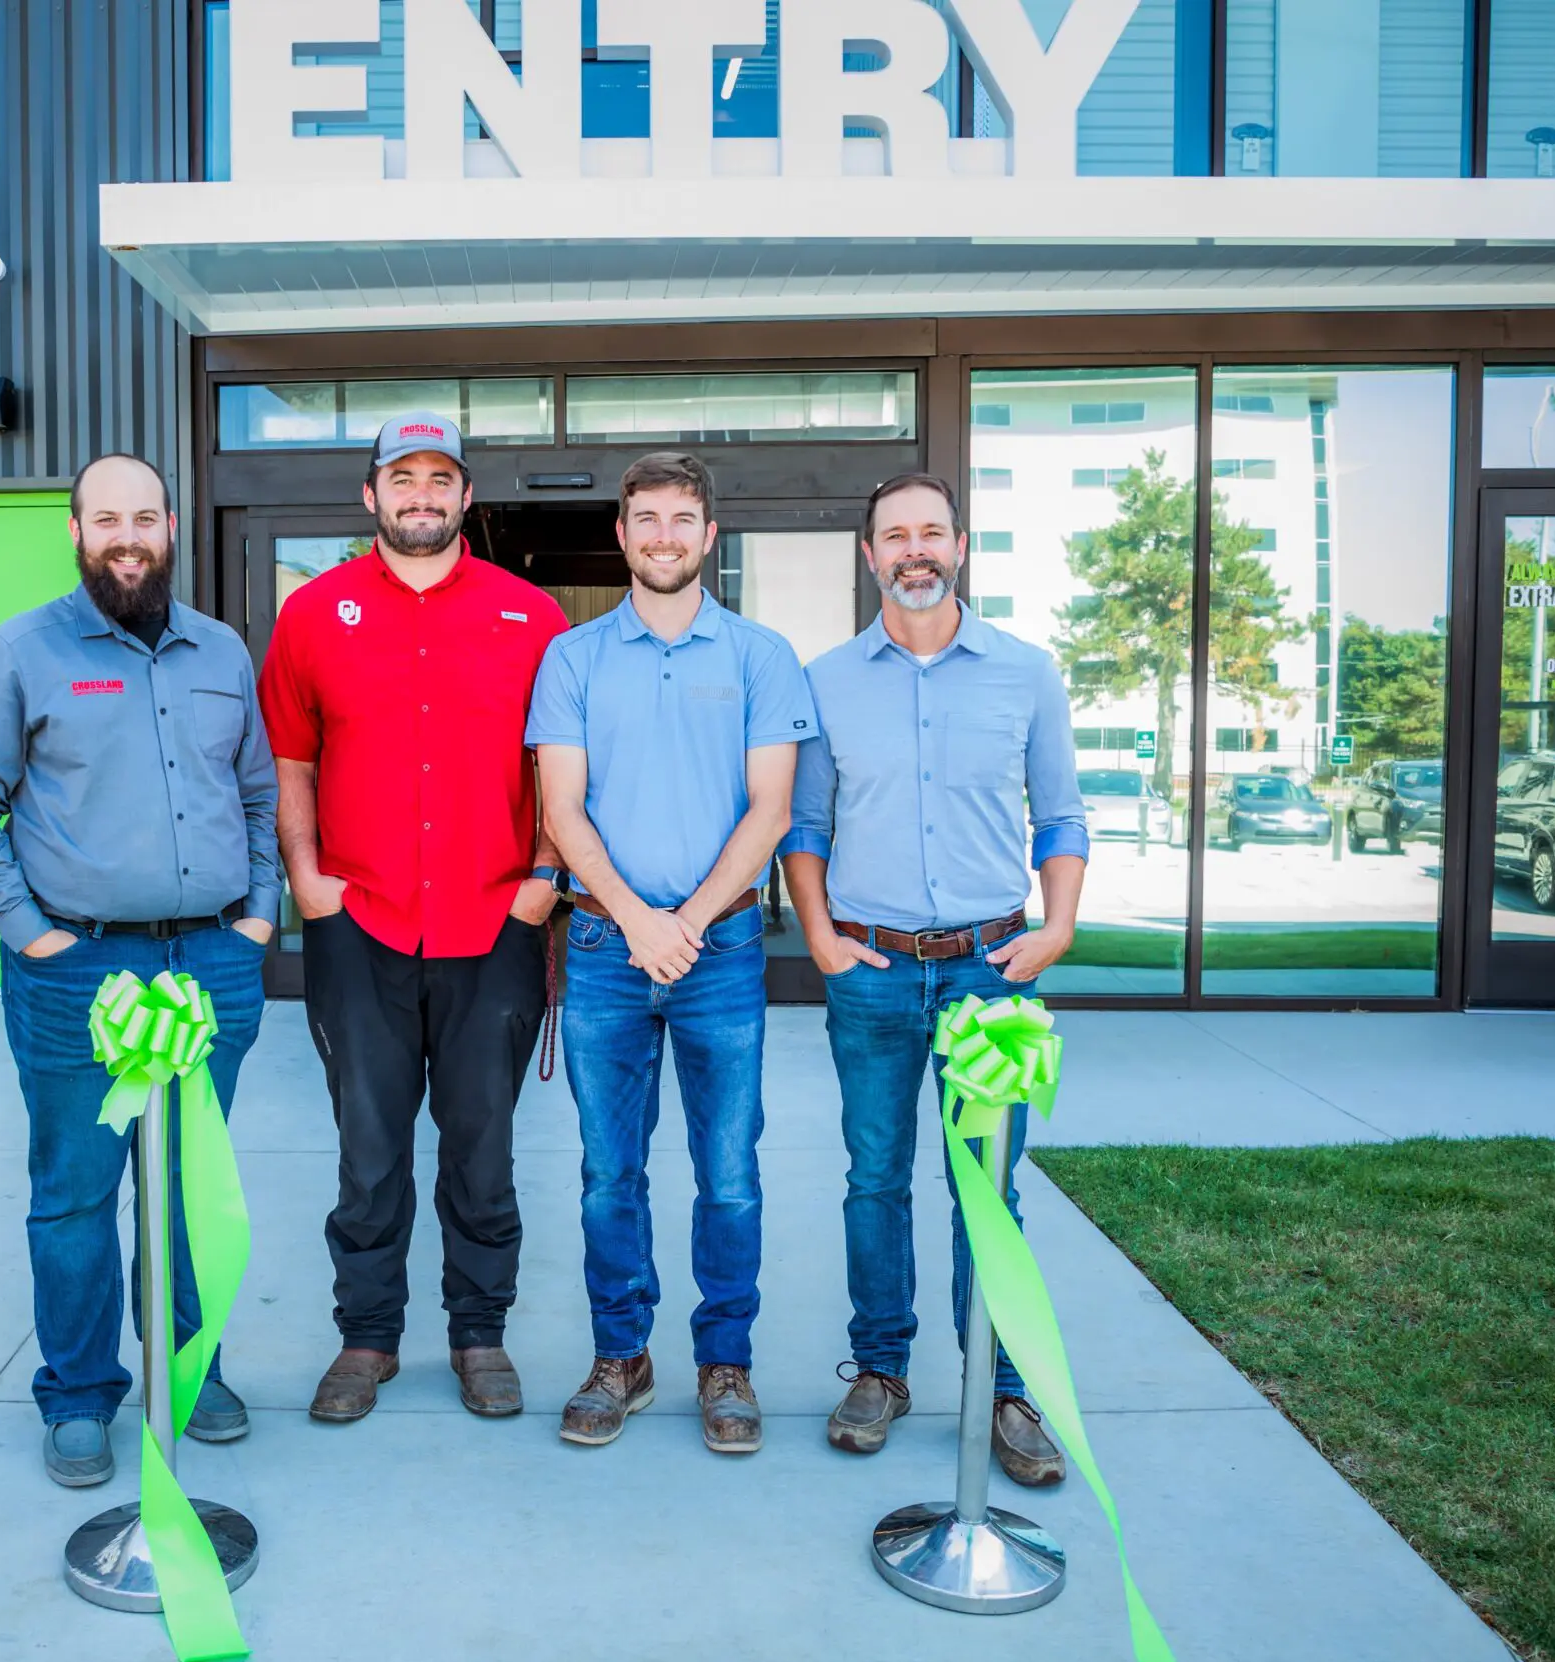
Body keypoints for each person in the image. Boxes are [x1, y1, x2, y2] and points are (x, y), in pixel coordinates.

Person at [0, 454, 279, 1489]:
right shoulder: (20, 652)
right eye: (105, 518)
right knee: (77, 1192)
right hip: (77, 971)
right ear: (76, 532)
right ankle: (79, 1393)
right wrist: (34, 934)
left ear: (172, 527)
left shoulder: (220, 650)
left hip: (212, 960)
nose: (128, 536)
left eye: (145, 517)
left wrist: (259, 917)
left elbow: (256, 796)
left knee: (191, 1187)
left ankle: (188, 1369)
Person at [257, 412, 567, 1424]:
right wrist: (305, 877)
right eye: (403, 477)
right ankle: (367, 1337)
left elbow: (562, 767)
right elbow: (290, 761)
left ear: (466, 497)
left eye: (441, 478)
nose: (421, 495)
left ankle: (479, 1335)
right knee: (369, 1147)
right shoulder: (314, 613)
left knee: (482, 1149)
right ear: (370, 495)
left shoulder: (534, 618)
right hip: (361, 923)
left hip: (496, 925)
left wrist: (546, 874)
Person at [779, 472, 1088, 1480]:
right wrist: (818, 934)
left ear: (959, 546)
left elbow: (1061, 814)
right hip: (868, 971)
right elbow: (807, 824)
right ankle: (880, 1371)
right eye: (893, 536)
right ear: (869, 555)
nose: (913, 550)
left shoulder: (1026, 673)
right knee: (874, 1180)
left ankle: (1001, 1392)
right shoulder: (823, 681)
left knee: (988, 1190)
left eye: (930, 533)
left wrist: (1059, 926)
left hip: (991, 976)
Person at [528, 452, 816, 1454]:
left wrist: (683, 921)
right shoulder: (572, 659)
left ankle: (723, 1362)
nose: (662, 534)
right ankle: (622, 1357)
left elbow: (770, 808)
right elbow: (560, 808)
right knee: (610, 1172)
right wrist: (638, 922)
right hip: (609, 950)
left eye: (680, 517)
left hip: (722, 951)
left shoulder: (759, 655)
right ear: (621, 535)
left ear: (708, 535)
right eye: (644, 517)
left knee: (727, 1170)